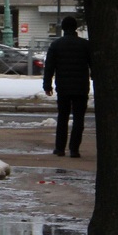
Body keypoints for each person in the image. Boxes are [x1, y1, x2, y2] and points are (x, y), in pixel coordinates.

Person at [43, 16, 92, 158]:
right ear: (75, 27)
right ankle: (74, 149)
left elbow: (49, 67)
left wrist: (47, 85)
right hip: (81, 87)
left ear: (63, 28)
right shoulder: (84, 45)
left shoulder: (57, 45)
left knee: (63, 118)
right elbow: (93, 64)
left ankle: (60, 148)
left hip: (63, 87)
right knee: (79, 119)